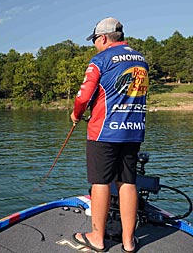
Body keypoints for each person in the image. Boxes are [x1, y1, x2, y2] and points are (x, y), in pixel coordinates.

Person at [70, 17, 149, 253]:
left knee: (101, 182)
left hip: (103, 132)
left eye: (94, 40)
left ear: (103, 38)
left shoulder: (100, 60)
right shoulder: (141, 60)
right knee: (127, 182)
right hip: (133, 132)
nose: (94, 45)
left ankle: (97, 237)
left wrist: (76, 115)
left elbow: (83, 96)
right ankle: (128, 241)